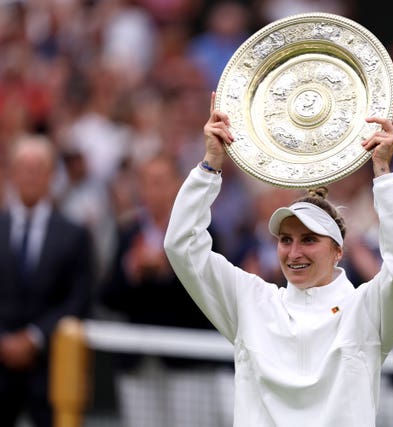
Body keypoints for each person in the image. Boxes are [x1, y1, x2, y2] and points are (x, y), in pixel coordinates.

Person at [163, 91, 393, 426]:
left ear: (338, 251)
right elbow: (181, 245)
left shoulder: (367, 309)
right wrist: (209, 165)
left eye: (309, 240)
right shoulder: (251, 300)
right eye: (285, 240)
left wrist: (383, 172)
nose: (294, 252)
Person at [99, 153, 225, 427]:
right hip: (137, 362)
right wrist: (132, 271)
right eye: (145, 181)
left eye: (159, 181)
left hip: (187, 362)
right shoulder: (128, 232)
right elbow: (107, 297)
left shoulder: (202, 231)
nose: (151, 189)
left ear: (177, 185)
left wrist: (167, 269)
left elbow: (213, 296)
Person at [0, 133, 93, 427]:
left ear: (51, 175)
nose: (29, 176)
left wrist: (34, 337)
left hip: (51, 369)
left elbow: (79, 299)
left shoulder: (74, 235)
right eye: (23, 168)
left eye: (37, 169)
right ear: (12, 173)